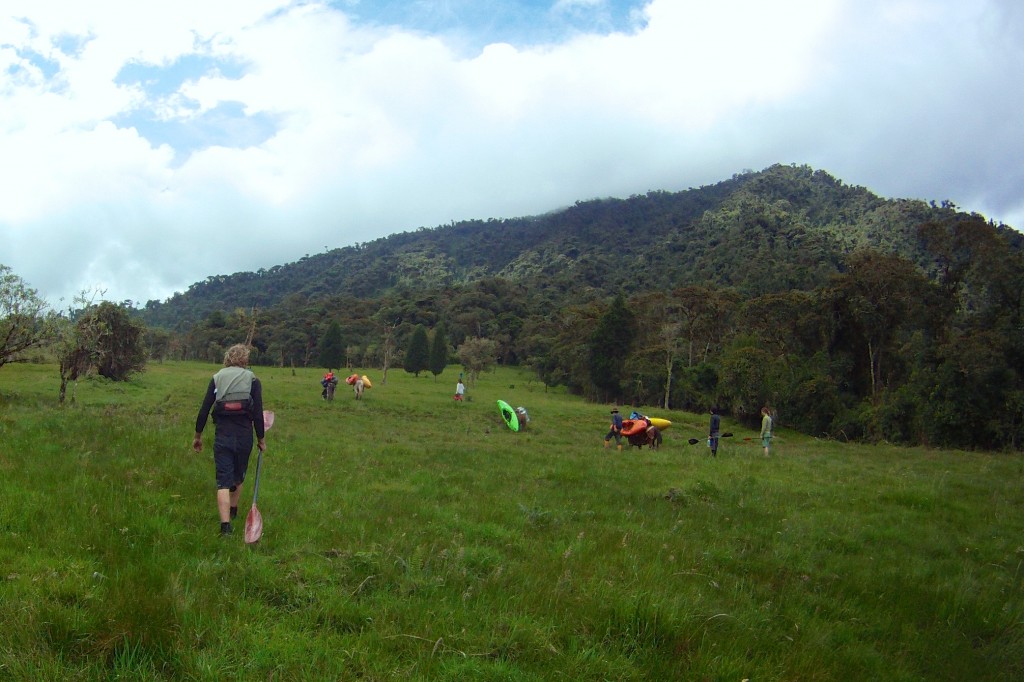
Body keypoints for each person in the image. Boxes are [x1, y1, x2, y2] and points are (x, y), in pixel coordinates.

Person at [193, 344, 266, 536]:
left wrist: (197, 436)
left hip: (223, 435)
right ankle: (233, 510)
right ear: (245, 360)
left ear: (227, 358)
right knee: (239, 475)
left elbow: (204, 410)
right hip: (244, 435)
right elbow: (258, 414)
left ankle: (225, 526)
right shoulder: (253, 380)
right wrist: (261, 439)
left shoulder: (217, 378)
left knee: (223, 481)